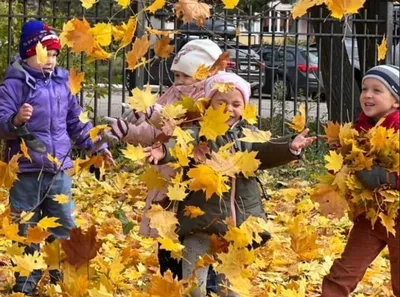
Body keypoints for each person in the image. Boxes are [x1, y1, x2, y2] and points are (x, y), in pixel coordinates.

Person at [144, 72, 316, 297]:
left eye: (236, 103)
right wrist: (163, 150)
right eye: (221, 102)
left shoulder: (248, 136)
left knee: (231, 289)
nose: (229, 108)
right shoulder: (200, 133)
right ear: (209, 104)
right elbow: (182, 145)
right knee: (194, 287)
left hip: (237, 226)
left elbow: (266, 150)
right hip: (202, 224)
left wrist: (290, 147)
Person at [0, 19, 114, 295]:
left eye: (54, 54)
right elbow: (1, 122)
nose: (50, 60)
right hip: (26, 170)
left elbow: (76, 121)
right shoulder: (14, 85)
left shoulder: (63, 84)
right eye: (44, 54)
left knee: (63, 223)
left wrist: (94, 146)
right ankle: (26, 281)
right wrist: (16, 120)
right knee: (26, 227)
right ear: (29, 54)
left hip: (59, 169)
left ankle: (60, 277)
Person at [107, 39, 222, 286]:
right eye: (177, 74)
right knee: (167, 241)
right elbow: (153, 133)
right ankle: (170, 285)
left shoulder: (211, 99)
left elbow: (182, 131)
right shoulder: (173, 93)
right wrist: (127, 130)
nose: (179, 80)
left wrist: (154, 114)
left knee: (200, 248)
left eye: (185, 76)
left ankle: (200, 286)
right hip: (167, 180)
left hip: (195, 185)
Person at [321, 65, 400, 297]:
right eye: (365, 88)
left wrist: (387, 178)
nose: (368, 94)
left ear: (396, 101)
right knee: (344, 272)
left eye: (377, 90)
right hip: (371, 217)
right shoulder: (360, 127)